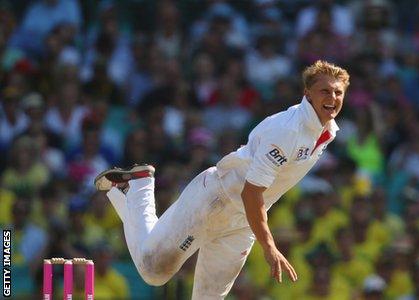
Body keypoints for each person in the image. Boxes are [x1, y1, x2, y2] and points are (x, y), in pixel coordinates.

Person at [93, 60, 349, 299]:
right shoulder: (288, 131)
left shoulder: (328, 130)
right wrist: (269, 246)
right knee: (153, 271)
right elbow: (251, 193)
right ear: (307, 94)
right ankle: (138, 186)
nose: (332, 98)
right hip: (215, 200)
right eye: (325, 91)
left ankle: (133, 189)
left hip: (242, 223)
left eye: (338, 93)